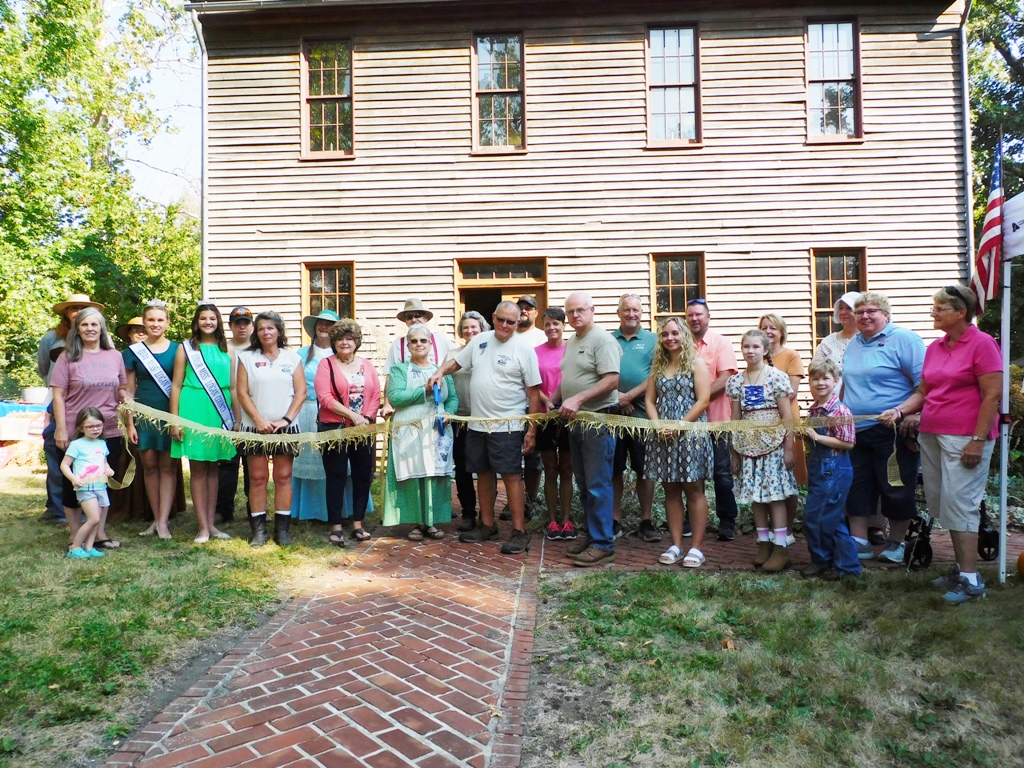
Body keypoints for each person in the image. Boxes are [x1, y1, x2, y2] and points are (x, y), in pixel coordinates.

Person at [889, 285, 1001, 603]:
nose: (933, 313)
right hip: (932, 434)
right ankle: (961, 570)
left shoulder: (982, 343)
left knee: (961, 504)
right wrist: (900, 410)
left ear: (961, 312)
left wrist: (977, 440)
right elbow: (924, 392)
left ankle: (972, 581)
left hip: (966, 437)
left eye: (940, 308)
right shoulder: (936, 347)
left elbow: (992, 394)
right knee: (945, 504)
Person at [431, 301, 542, 555]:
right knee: (482, 473)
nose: (504, 325)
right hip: (478, 424)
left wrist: (532, 429)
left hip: (508, 426)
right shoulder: (480, 340)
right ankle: (487, 525)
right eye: (501, 319)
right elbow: (458, 362)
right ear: (493, 317)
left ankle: (519, 532)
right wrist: (440, 372)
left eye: (511, 322)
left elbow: (534, 392)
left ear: (518, 322)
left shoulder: (524, 348)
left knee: (511, 476)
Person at [841, 291, 925, 563]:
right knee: (857, 485)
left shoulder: (904, 339)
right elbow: (847, 386)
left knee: (895, 486)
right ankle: (859, 542)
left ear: (886, 315)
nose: (864, 316)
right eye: (860, 312)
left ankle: (896, 543)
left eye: (871, 311)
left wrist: (910, 413)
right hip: (855, 430)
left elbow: (925, 385)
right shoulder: (854, 343)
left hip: (893, 430)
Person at [50, 307, 128, 551]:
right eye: (84, 324)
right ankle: (75, 534)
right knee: (73, 484)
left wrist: (125, 397)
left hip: (109, 431)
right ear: (77, 329)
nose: (90, 329)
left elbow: (121, 387)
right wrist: (61, 429)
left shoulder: (115, 356)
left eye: (94, 324)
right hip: (75, 432)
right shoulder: (67, 357)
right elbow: (58, 395)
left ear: (102, 328)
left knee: (102, 482)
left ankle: (99, 532)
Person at [558, 292, 621, 567]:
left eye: (580, 310)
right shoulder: (572, 341)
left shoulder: (602, 339)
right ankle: (592, 536)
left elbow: (611, 381)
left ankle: (603, 544)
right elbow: (570, 378)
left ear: (592, 310)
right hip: (577, 421)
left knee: (597, 485)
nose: (575, 315)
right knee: (584, 484)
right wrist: (555, 399)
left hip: (598, 421)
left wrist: (578, 399)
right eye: (570, 312)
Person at [644, 317, 713, 568]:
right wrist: (657, 425)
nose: (669, 338)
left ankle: (696, 547)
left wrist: (680, 425)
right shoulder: (658, 366)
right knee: (670, 490)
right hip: (663, 435)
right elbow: (650, 400)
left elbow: (703, 400)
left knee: (694, 489)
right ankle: (675, 544)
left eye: (674, 333)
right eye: (665, 334)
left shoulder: (696, 363)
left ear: (683, 334)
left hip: (690, 434)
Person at [726, 329, 797, 572]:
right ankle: (764, 543)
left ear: (765, 350)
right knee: (756, 496)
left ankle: (781, 547)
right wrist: (734, 451)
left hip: (773, 443)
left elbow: (787, 416)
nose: (750, 351)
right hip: (748, 444)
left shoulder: (776, 377)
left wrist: (789, 448)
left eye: (756, 347)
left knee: (774, 495)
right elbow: (735, 417)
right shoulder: (736, 381)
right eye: (746, 346)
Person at [170, 302, 239, 544]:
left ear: (218, 321)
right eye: (203, 318)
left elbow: (233, 387)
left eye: (212, 318)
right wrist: (175, 421)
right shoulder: (186, 349)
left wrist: (237, 418)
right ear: (196, 322)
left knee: (214, 468)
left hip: (219, 412)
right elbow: (175, 386)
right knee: (199, 469)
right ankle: (202, 528)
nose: (208, 322)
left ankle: (211, 524)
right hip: (194, 408)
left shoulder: (228, 350)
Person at [237, 311, 305, 547]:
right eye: (261, 328)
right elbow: (242, 393)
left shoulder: (292, 358)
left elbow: (301, 392)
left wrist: (286, 420)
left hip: (285, 428)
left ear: (279, 331)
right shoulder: (246, 358)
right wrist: (258, 420)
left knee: (283, 477)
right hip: (254, 427)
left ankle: (282, 531)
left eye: (270, 328)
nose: (266, 332)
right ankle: (259, 531)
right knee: (257, 478)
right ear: (256, 333)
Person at [383, 323, 458, 540]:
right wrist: (424, 390)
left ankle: (432, 521)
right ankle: (415, 522)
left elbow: (452, 397)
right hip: (409, 429)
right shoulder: (399, 370)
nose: (419, 344)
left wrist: (449, 413)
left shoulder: (442, 371)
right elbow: (395, 397)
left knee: (434, 473)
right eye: (414, 341)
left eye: (423, 340)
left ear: (430, 344)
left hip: (436, 430)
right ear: (408, 346)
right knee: (412, 473)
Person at [37, 293, 103, 524]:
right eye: (74, 308)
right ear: (66, 312)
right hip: (59, 401)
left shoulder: (100, 340)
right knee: (58, 455)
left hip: (91, 407)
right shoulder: (52, 338)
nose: (78, 312)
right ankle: (57, 509)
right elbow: (43, 368)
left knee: (88, 456)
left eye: (82, 308)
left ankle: (89, 507)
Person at [315, 318, 381, 546]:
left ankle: (358, 524)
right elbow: (325, 398)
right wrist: (353, 416)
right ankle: (336, 526)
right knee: (336, 476)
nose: (345, 343)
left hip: (363, 429)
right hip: (335, 428)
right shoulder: (326, 364)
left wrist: (368, 418)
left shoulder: (367, 365)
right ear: (334, 342)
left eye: (349, 339)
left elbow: (375, 394)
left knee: (363, 475)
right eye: (340, 339)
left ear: (356, 342)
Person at [799, 358, 860, 580]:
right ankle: (831, 563)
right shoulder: (815, 409)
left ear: (835, 381)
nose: (820, 383)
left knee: (824, 519)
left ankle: (841, 566)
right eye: (815, 379)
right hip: (820, 469)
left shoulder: (839, 410)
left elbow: (848, 443)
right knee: (823, 518)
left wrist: (817, 437)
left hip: (834, 469)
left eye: (825, 378)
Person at [124, 301, 180, 538]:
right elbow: (129, 390)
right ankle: (156, 519)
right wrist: (129, 423)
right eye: (151, 320)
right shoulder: (133, 352)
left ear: (167, 323)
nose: (155, 324)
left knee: (168, 468)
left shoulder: (178, 350)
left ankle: (163, 521)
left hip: (170, 414)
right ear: (144, 323)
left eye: (160, 320)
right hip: (143, 415)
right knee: (149, 468)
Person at [686, 298, 740, 541]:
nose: (694, 319)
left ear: (708, 317)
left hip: (717, 419)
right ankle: (691, 519)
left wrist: (700, 399)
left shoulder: (721, 343)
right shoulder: (682, 344)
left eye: (699, 314)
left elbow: (725, 378)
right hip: (689, 420)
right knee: (690, 471)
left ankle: (727, 521)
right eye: (690, 315)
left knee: (722, 472)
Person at [611, 293, 659, 542]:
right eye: (627, 310)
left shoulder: (653, 340)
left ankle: (646, 520)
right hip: (613, 416)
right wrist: (617, 398)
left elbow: (656, 374)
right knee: (614, 469)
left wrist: (629, 396)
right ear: (618, 313)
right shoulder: (608, 340)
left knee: (645, 470)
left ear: (642, 313)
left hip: (642, 416)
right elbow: (599, 373)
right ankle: (614, 519)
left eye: (636, 310)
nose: (631, 314)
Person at [759, 312, 805, 535]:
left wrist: (764, 401)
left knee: (788, 477)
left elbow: (791, 391)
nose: (768, 331)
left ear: (781, 332)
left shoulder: (791, 356)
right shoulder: (756, 356)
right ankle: (771, 528)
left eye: (773, 328)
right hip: (762, 426)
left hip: (786, 422)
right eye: (764, 327)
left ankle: (786, 530)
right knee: (767, 477)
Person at [291, 309, 339, 523]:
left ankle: (337, 509)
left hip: (335, 411)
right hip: (308, 410)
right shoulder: (301, 354)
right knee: (310, 458)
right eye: (321, 323)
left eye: (329, 324)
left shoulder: (341, 352)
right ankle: (310, 509)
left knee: (336, 461)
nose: (324, 327)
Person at [446, 311, 491, 532]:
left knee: (486, 468)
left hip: (485, 418)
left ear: (482, 329)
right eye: (465, 327)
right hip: (459, 419)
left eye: (474, 327)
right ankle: (468, 513)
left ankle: (487, 515)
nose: (470, 330)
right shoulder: (453, 354)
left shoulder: (489, 352)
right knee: (462, 468)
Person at [535, 307, 574, 541]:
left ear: (563, 325)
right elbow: (532, 383)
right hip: (544, 415)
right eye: (547, 324)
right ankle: (551, 520)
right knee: (550, 469)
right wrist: (547, 401)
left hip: (570, 415)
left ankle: (567, 520)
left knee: (567, 469)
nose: (551, 328)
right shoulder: (536, 352)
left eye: (556, 323)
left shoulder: (572, 349)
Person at [61, 408, 116, 559]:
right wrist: (73, 478)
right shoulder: (76, 445)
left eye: (98, 425)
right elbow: (64, 465)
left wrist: (108, 469)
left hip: (100, 486)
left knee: (96, 520)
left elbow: (104, 462)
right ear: (81, 428)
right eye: (90, 426)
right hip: (85, 488)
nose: (95, 429)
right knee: (94, 519)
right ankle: (75, 547)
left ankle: (89, 547)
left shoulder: (102, 444)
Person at [216, 306, 254, 524]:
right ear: (230, 326)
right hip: (226, 414)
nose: (242, 327)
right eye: (237, 323)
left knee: (253, 466)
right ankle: (223, 510)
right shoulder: (222, 349)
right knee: (227, 464)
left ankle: (254, 509)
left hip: (253, 415)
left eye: (246, 323)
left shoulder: (258, 349)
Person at [515, 295, 545, 517]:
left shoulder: (542, 337)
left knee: (534, 457)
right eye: (521, 308)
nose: (524, 311)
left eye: (529, 308)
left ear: (536, 312)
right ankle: (513, 502)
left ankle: (531, 500)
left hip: (536, 405)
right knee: (511, 457)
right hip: (512, 406)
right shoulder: (508, 336)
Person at [811, 291, 862, 379]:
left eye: (849, 308)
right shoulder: (828, 342)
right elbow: (816, 372)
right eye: (841, 308)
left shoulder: (869, 339)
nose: (843, 312)